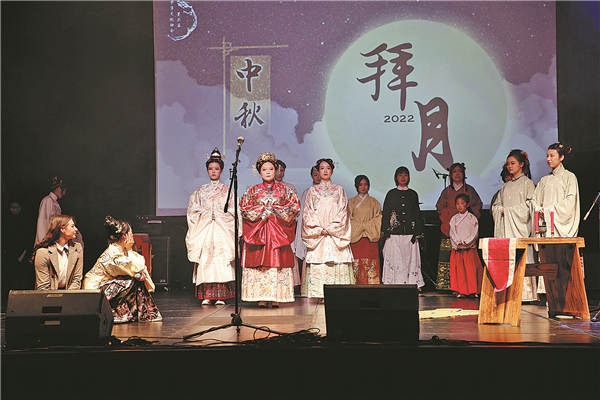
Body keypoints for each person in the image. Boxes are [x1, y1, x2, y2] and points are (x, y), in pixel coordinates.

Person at [239, 152, 300, 308]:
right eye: (264, 169)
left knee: (276, 262)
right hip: (259, 231)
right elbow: (244, 209)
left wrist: (275, 210)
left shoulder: (285, 190)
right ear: (259, 171)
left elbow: (294, 207)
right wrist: (261, 211)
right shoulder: (252, 190)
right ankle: (260, 296)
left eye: (271, 169)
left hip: (277, 232)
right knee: (259, 262)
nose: (267, 171)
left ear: (275, 171)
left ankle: (275, 296)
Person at [83, 216, 162, 323]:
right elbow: (136, 267)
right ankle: (116, 313)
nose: (132, 236)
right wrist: (137, 274)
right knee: (131, 280)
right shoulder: (113, 252)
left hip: (106, 287)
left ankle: (133, 313)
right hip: (95, 292)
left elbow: (139, 265)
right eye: (130, 233)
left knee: (134, 279)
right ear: (124, 236)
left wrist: (129, 249)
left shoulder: (121, 250)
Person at [185, 147, 237, 306]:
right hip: (205, 229)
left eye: (216, 169)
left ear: (221, 170)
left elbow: (234, 210)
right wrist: (204, 214)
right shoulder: (200, 191)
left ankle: (221, 295)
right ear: (207, 170)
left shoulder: (227, 190)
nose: (213, 172)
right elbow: (192, 211)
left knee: (221, 259)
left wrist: (221, 215)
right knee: (206, 258)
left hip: (221, 229)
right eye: (210, 169)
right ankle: (207, 294)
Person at [532, 142, 580, 302]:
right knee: (547, 259)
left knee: (562, 260)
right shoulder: (544, 180)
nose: (548, 159)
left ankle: (566, 297)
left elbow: (570, 202)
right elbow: (535, 200)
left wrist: (550, 210)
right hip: (547, 227)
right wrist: (539, 209)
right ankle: (548, 295)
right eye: (547, 155)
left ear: (562, 157)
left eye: (552, 155)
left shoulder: (569, 177)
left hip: (560, 225)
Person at [302, 158, 354, 300]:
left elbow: (343, 212)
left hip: (334, 234)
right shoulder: (312, 191)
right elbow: (308, 213)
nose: (325, 171)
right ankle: (320, 294)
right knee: (320, 261)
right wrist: (319, 229)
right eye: (322, 168)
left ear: (332, 170)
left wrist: (331, 228)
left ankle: (337, 294)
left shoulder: (339, 190)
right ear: (318, 171)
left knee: (337, 259)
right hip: (319, 234)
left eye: (328, 168)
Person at [491, 149, 537, 302]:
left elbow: (531, 206)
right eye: (508, 164)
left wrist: (509, 211)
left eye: (513, 163)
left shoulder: (528, 183)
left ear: (521, 164)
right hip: (506, 231)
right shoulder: (505, 186)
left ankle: (526, 295)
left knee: (522, 260)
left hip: (520, 229)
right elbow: (496, 206)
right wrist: (500, 211)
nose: (509, 166)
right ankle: (509, 292)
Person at [434, 163, 482, 291]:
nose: (457, 174)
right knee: (448, 259)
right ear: (450, 175)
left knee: (467, 261)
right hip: (449, 230)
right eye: (454, 171)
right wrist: (448, 219)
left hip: (466, 233)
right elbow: (439, 207)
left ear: (464, 174)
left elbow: (477, 206)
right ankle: (447, 286)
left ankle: (467, 287)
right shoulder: (446, 192)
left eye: (459, 171)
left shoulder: (469, 190)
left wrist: (469, 219)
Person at [380, 166, 425, 290]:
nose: (403, 177)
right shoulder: (391, 194)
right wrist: (386, 230)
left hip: (410, 233)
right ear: (396, 177)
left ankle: (412, 283)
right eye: (400, 175)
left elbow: (417, 213)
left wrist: (418, 231)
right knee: (395, 259)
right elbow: (386, 212)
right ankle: (393, 282)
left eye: (405, 175)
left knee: (411, 259)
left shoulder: (413, 194)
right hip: (394, 233)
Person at [32, 214, 83, 290]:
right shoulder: (43, 253)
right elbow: (43, 286)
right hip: (48, 297)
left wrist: (67, 298)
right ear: (62, 229)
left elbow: (77, 279)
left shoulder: (77, 248)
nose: (76, 229)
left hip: (70, 295)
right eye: (72, 226)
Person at [348, 174, 382, 284]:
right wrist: (362, 226)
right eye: (360, 185)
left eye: (365, 185)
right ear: (356, 186)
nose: (363, 187)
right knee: (356, 265)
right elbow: (349, 219)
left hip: (369, 238)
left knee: (371, 264)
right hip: (356, 239)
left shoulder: (374, 202)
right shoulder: (351, 202)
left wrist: (364, 226)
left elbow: (378, 219)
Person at [274, 159, 302, 291]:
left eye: (282, 170)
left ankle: (289, 284)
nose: (280, 173)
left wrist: (286, 217)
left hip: (287, 227)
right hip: (272, 226)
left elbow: (296, 209)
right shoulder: (267, 188)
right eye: (277, 169)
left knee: (287, 253)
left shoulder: (290, 188)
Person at [449, 193, 483, 298]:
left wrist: (467, 242)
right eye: (457, 204)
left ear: (467, 205)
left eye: (462, 203)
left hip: (469, 249)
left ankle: (473, 290)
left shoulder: (472, 218)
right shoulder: (454, 218)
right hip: (458, 248)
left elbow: (474, 233)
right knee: (460, 271)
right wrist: (457, 241)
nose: (459, 206)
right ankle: (461, 290)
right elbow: (452, 232)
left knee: (470, 270)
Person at [2, 199, 36, 304]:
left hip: (23, 255)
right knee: (10, 278)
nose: (14, 210)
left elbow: (28, 239)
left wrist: (23, 255)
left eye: (16, 208)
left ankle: (21, 302)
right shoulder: (6, 221)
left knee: (21, 278)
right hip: (9, 255)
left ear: (20, 208)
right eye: (12, 208)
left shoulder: (25, 222)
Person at [295, 165, 321, 296]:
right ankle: (310, 289)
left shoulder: (330, 191)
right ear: (312, 176)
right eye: (315, 174)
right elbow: (303, 217)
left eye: (319, 173)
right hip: (311, 231)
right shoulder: (308, 192)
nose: (318, 177)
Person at [35, 176, 66, 245]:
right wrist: (42, 243)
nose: (64, 193)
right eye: (63, 189)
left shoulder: (56, 203)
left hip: (53, 240)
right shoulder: (47, 200)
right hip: (45, 241)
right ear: (58, 188)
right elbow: (42, 223)